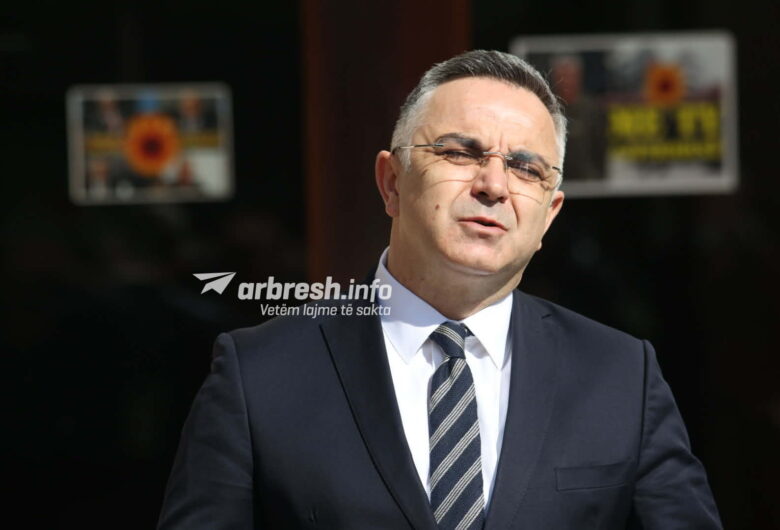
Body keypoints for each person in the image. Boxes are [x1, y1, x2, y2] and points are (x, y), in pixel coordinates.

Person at [158, 50, 722, 529]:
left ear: (549, 214)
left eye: (526, 168)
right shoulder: (259, 375)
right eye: (460, 152)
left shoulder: (620, 377)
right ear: (391, 182)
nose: (494, 185)